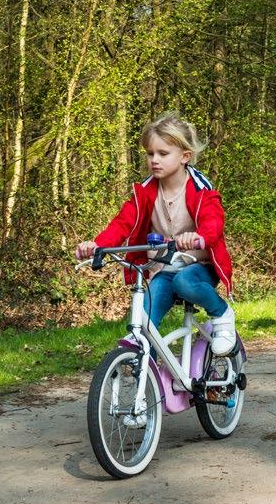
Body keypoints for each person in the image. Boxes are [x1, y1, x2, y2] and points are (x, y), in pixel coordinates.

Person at [75, 112, 236, 355]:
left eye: (163, 153)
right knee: (143, 320)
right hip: (165, 268)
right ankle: (143, 367)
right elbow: (122, 223)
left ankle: (222, 315)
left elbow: (213, 221)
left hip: (200, 266)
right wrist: (97, 245)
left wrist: (199, 237)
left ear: (184, 156)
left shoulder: (200, 189)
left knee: (185, 282)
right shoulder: (145, 191)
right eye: (150, 154)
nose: (154, 160)